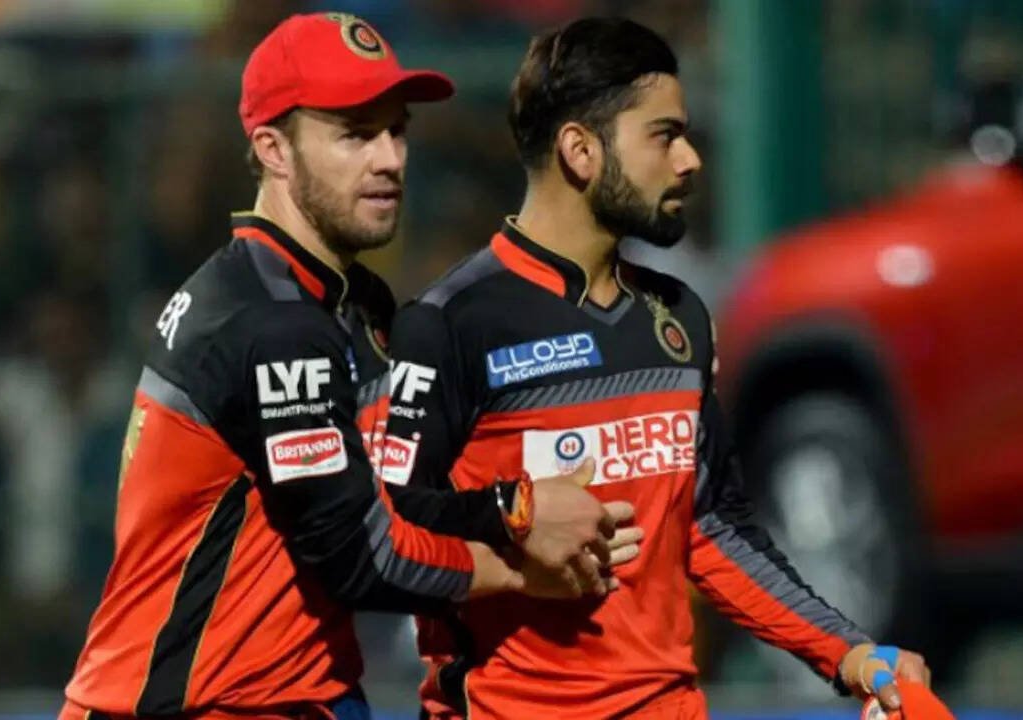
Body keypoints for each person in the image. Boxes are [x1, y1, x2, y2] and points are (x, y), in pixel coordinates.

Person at [59, 13, 639, 720]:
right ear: (273, 149)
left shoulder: (346, 301)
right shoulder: (273, 322)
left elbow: (385, 497)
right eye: (355, 135)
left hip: (303, 696)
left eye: (397, 130)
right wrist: (521, 558)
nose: (390, 159)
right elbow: (361, 556)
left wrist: (515, 504)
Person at [379, 17, 931, 719]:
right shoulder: (449, 324)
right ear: (581, 150)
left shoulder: (679, 321)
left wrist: (849, 653)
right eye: (664, 136)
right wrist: (514, 519)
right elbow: (384, 536)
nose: (690, 160)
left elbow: (711, 528)